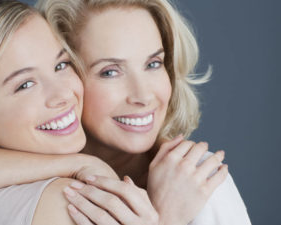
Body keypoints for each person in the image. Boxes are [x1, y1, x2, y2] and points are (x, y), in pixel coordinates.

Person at [0, 0, 234, 224]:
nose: (62, 94)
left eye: (60, 66)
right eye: (25, 84)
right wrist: (167, 218)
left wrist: (76, 163)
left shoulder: (193, 177)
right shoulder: (71, 202)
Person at [35, 0, 252, 224]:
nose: (143, 96)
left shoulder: (201, 183)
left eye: (153, 64)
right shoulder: (32, 191)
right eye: (110, 72)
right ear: (63, 77)